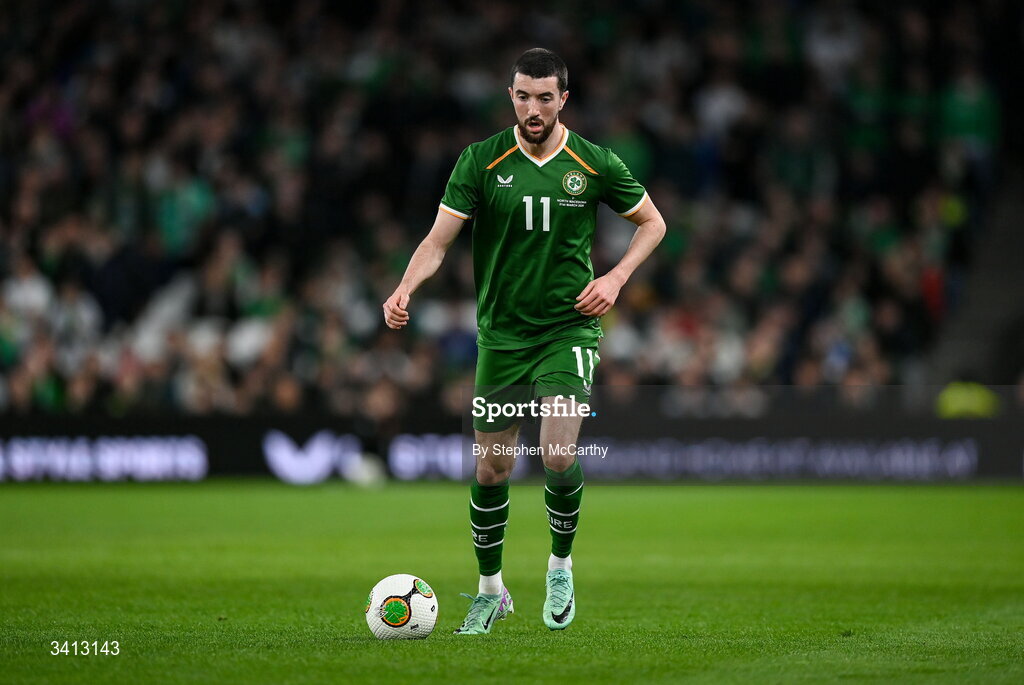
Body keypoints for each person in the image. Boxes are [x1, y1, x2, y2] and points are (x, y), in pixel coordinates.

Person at [383, 48, 666, 633]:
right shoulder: (482, 161)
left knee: (559, 454)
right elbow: (438, 242)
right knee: (492, 468)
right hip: (503, 336)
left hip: (567, 328)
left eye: (543, 97)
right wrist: (405, 287)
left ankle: (559, 566)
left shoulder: (593, 163)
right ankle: (492, 590)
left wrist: (615, 278)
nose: (532, 108)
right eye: (521, 96)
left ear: (564, 98)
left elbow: (653, 222)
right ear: (510, 96)